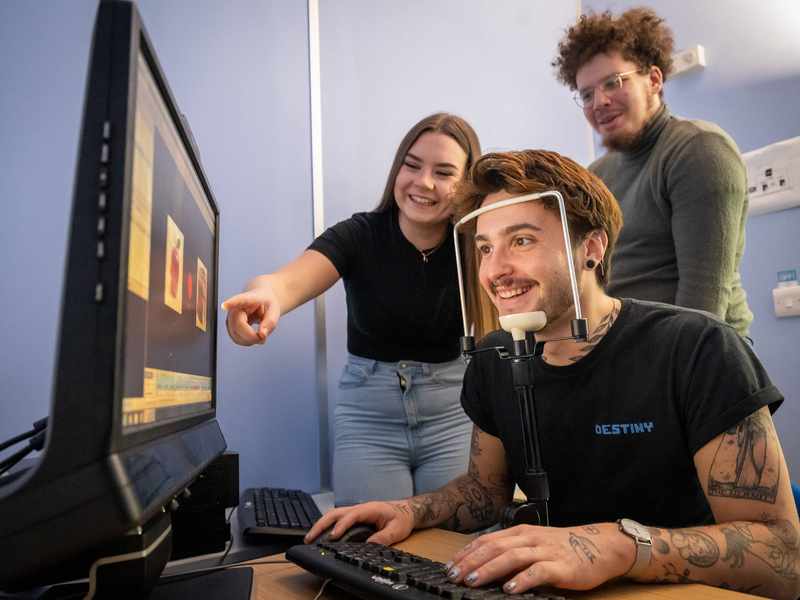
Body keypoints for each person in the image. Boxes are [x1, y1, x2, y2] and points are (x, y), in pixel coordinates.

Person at [305, 149, 799, 599]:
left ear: (592, 248)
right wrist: (409, 510)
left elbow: (784, 556)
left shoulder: (698, 349)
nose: (496, 270)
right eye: (484, 248)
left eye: (521, 240)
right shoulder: (496, 359)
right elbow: (484, 492)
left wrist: (620, 544)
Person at [222, 113, 482, 506]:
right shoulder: (359, 234)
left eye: (444, 172)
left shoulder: (476, 243)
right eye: (411, 165)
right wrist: (262, 296)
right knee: (367, 546)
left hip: (453, 414)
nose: (423, 182)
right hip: (368, 419)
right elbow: (285, 283)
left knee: (456, 546)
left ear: (466, 184)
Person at [552, 8, 753, 338]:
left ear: (655, 80)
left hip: (700, 362)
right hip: (627, 356)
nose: (599, 101)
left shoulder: (698, 150)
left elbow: (703, 315)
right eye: (586, 94)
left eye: (613, 82)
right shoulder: (595, 176)